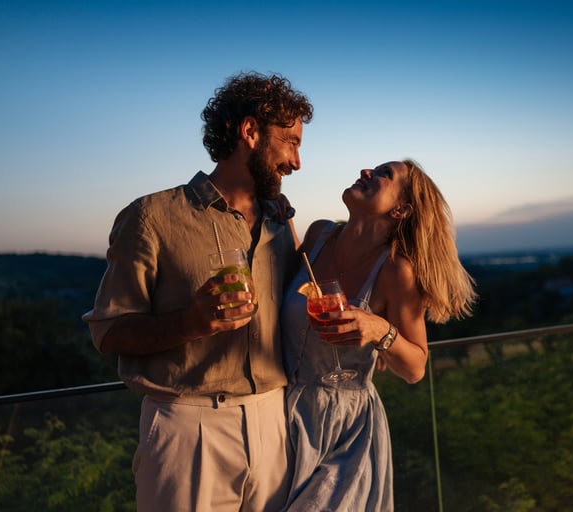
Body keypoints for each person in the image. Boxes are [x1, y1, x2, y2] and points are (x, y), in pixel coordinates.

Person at [82, 72, 313, 512]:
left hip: (274, 423)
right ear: (249, 132)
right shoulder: (151, 217)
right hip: (188, 429)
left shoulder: (281, 222)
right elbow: (108, 332)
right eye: (291, 141)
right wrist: (191, 322)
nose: (297, 161)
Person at [280, 159, 478, 511]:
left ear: (401, 209)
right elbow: (292, 287)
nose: (366, 172)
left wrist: (380, 330)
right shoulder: (318, 235)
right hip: (279, 416)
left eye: (384, 174)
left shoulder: (395, 271)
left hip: (344, 430)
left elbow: (416, 367)